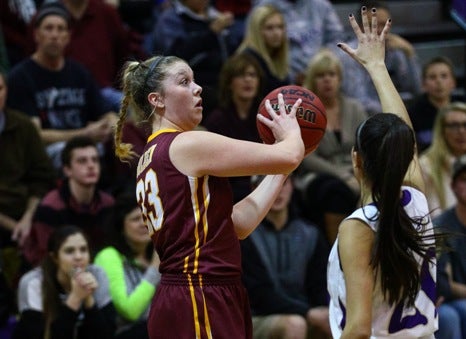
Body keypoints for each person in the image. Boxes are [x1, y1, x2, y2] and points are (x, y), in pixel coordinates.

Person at [113, 53, 305, 338]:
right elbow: (289, 155)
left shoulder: (151, 156)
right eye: (184, 81)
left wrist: (281, 167)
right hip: (199, 292)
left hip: (192, 292)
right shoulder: (186, 144)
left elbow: (237, 225)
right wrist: (292, 133)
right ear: (157, 99)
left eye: (195, 80)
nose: (198, 87)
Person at [327, 7, 438, 338]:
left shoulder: (358, 228)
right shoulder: (416, 200)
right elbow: (406, 139)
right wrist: (377, 66)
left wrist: (375, 65)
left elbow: (359, 329)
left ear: (356, 161)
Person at [6, 1, 116, 169]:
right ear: (36, 34)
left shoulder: (80, 73)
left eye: (60, 29)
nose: (55, 35)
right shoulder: (20, 77)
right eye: (49, 28)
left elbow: (104, 112)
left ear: (68, 36)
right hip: (47, 154)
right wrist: (84, 135)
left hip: (87, 149)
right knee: (77, 154)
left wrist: (110, 124)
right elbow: (35, 135)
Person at [241, 175, 331, 339]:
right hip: (257, 316)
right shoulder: (245, 235)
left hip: (303, 312)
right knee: (294, 325)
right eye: (266, 184)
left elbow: (319, 286)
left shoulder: (309, 233)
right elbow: (259, 295)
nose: (278, 191)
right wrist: (307, 312)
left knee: (332, 319)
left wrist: (323, 312)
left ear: (292, 186)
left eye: (283, 183)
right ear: (254, 190)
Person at [0, 69, 56, 291]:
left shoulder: (23, 126)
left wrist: (27, 219)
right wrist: (13, 226)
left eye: (0, 89)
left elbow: (43, 177)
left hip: (25, 212)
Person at [22, 136, 115, 267]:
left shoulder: (107, 203)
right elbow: (46, 256)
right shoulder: (51, 207)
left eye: (95, 160)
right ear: (67, 170)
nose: (91, 166)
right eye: (82, 161)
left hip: (96, 269)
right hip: (50, 273)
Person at [13, 225, 116, 339]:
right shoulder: (33, 282)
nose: (78, 257)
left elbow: (106, 335)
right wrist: (75, 298)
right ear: (55, 258)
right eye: (69, 251)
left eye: (83, 250)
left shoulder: (97, 274)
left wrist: (88, 298)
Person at [150, 0, 235, 119]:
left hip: (221, 84)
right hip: (192, 87)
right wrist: (210, 33)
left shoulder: (215, 15)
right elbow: (173, 57)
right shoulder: (170, 19)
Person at [301, 47, 368, 194]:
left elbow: (368, 145)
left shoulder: (354, 108)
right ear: (312, 81)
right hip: (321, 175)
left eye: (332, 74)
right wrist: (342, 175)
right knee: (335, 190)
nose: (327, 80)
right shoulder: (305, 113)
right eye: (320, 75)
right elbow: (308, 159)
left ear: (339, 79)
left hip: (357, 170)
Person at [94, 191, 160, 339]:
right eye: (135, 219)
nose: (143, 223)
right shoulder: (109, 256)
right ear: (121, 227)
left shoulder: (157, 254)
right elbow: (129, 310)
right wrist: (154, 269)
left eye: (146, 217)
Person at [339, 0, 423, 115]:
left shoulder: (397, 50)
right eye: (371, 25)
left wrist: (410, 53)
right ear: (359, 27)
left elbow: (416, 90)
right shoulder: (349, 55)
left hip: (395, 116)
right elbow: (359, 101)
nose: (378, 30)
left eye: (383, 24)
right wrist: (393, 111)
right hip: (364, 119)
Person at [204, 53, 264, 202]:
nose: (248, 80)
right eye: (240, 75)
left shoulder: (266, 116)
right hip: (231, 188)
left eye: (252, 75)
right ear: (229, 83)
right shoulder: (217, 120)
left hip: (263, 181)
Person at [61, 0, 135, 112]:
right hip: (62, 93)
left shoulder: (107, 13)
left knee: (135, 110)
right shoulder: (51, 17)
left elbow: (123, 56)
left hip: (104, 91)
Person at [251, 0, 344, 85]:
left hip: (318, 75)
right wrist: (291, 75)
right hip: (282, 75)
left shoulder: (322, 6)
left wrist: (318, 67)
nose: (276, 31)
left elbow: (337, 40)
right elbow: (257, 44)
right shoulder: (265, 6)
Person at [432, 154, 466, 338]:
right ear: (453, 186)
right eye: (464, 180)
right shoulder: (441, 227)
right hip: (444, 302)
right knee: (450, 316)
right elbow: (442, 285)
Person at [408, 56, 466, 152]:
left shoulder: (463, 106)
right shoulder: (412, 114)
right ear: (423, 84)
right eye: (432, 77)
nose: (439, 81)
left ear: (453, 82)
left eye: (444, 76)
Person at [419, 102, 466, 217]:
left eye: (465, 125)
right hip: (443, 230)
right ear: (442, 131)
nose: (461, 131)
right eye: (454, 126)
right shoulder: (426, 165)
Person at [236, 4, 291, 96]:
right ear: (257, 31)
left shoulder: (276, 57)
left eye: (280, 27)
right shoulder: (247, 59)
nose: (277, 33)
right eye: (269, 28)